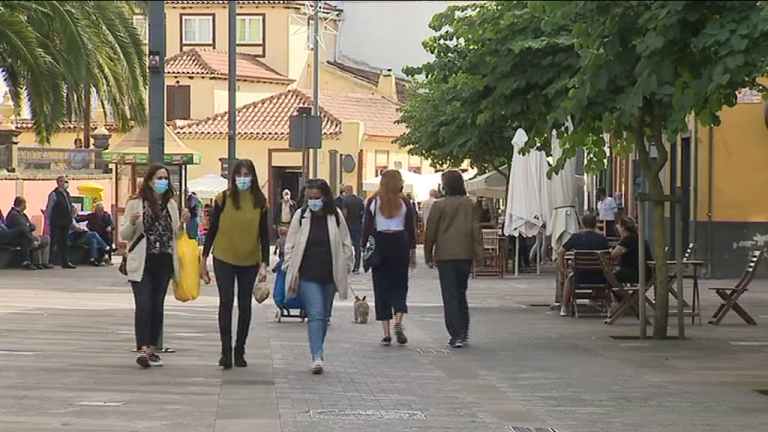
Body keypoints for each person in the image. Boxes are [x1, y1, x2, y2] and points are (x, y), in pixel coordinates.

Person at [201, 159, 270, 370]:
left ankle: (240, 349)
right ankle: (225, 351)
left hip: (249, 259)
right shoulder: (223, 199)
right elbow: (212, 230)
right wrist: (203, 259)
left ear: (253, 176)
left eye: (246, 174)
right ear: (233, 177)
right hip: (224, 256)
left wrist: (264, 263)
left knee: (245, 304)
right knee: (226, 302)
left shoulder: (260, 202)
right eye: (238, 174)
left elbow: (264, 235)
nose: (242, 179)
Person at [119, 164, 189, 369]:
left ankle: (151, 348)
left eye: (165, 178)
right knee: (144, 305)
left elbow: (176, 235)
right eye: (159, 178)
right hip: (142, 260)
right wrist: (131, 223)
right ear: (149, 180)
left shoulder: (171, 205)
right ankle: (141, 348)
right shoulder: (135, 203)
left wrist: (182, 224)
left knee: (157, 306)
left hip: (164, 260)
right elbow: (124, 235)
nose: (163, 182)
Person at [283, 178, 354, 374]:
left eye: (317, 198)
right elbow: (290, 243)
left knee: (324, 315)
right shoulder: (301, 216)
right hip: (307, 274)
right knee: (315, 313)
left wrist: (346, 264)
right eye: (310, 198)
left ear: (325, 198)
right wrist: (289, 265)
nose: (313, 201)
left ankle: (318, 350)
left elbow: (346, 242)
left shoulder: (335, 216)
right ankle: (317, 356)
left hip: (330, 274)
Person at [424, 171, 483, 348]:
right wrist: (479, 255)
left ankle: (456, 334)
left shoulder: (439, 205)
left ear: (445, 185)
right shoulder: (470, 204)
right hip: (465, 254)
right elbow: (476, 229)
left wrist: (428, 254)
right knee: (460, 293)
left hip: (445, 255)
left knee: (449, 295)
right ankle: (464, 331)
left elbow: (431, 232)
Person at [361, 170, 417, 347]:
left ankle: (386, 333)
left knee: (381, 287)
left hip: (381, 243)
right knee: (400, 285)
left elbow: (367, 228)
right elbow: (410, 229)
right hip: (400, 244)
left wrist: (364, 249)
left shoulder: (374, 201)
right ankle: (398, 322)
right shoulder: (405, 202)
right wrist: (412, 252)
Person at [557, 213, 611, 317]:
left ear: (582, 224)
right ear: (595, 224)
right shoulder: (602, 239)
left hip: (580, 276)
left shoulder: (576, 237)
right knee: (604, 272)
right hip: (599, 277)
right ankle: (593, 301)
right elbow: (606, 255)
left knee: (569, 280)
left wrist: (564, 270)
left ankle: (564, 307)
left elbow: (560, 252)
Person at [6, 197, 52, 269]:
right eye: (24, 204)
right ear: (21, 204)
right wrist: (28, 226)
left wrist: (29, 226)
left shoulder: (23, 215)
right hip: (18, 237)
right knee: (34, 239)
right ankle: (37, 262)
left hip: (27, 235)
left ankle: (44, 262)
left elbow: (31, 225)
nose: (25, 206)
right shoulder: (14, 215)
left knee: (46, 239)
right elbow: (22, 227)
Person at [611, 216, 653, 284]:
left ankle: (622, 294)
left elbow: (613, 255)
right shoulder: (636, 237)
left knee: (612, 277)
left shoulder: (628, 240)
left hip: (639, 274)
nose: (617, 227)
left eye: (618, 225)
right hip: (645, 271)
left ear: (623, 228)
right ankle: (624, 294)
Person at [46, 176, 76, 268]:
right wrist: (49, 218)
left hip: (66, 221)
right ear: (58, 182)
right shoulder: (54, 194)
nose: (65, 183)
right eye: (63, 181)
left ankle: (66, 261)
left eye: (66, 182)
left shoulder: (67, 193)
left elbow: (69, 205)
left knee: (65, 241)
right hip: (57, 220)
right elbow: (49, 208)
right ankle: (49, 260)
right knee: (54, 240)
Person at [340, 184, 365, 274]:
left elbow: (344, 215)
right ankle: (356, 267)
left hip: (348, 226)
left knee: (346, 246)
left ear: (347, 190)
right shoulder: (360, 200)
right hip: (357, 226)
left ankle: (346, 265)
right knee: (357, 247)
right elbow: (363, 212)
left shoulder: (346, 201)